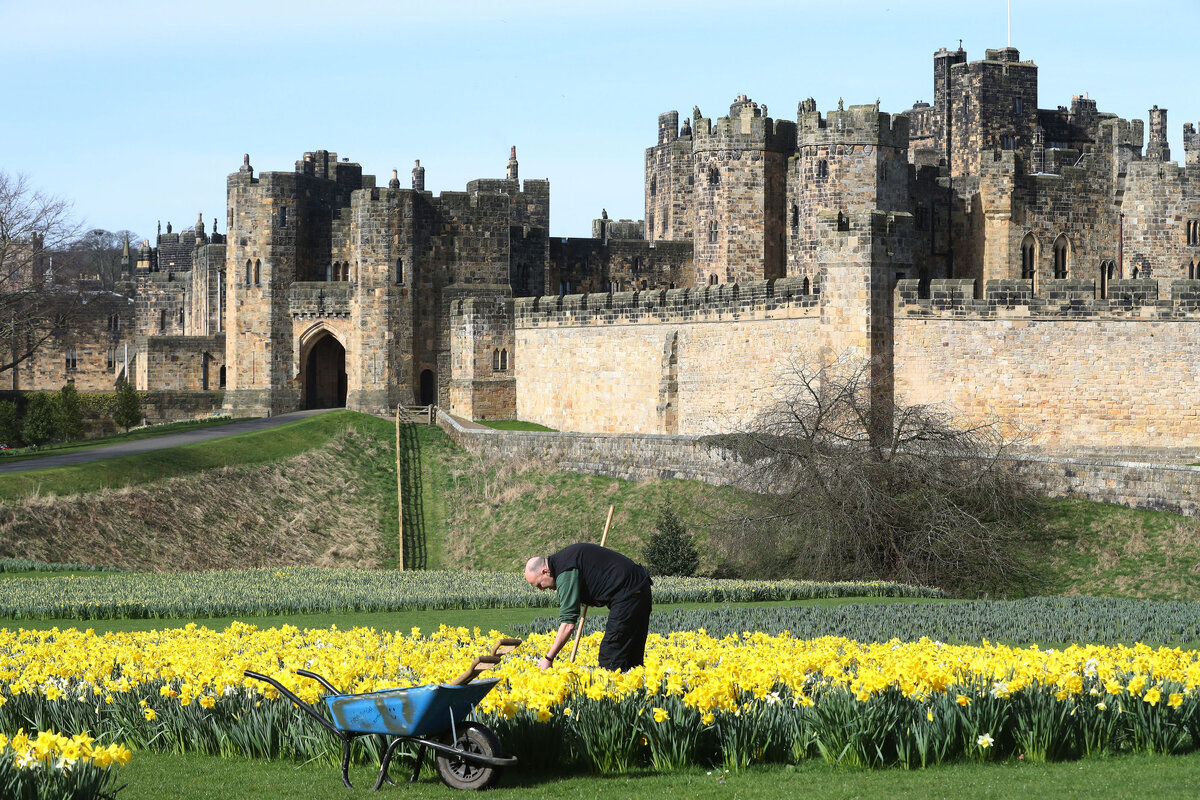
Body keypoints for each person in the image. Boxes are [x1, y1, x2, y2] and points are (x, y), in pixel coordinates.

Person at [524, 543, 652, 671]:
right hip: (639, 586)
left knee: (610, 656)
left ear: (545, 572)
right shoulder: (565, 560)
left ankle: (613, 689)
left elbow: (568, 624)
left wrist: (549, 658)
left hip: (629, 592)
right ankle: (634, 688)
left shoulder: (565, 571)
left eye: (539, 584)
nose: (541, 590)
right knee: (632, 657)